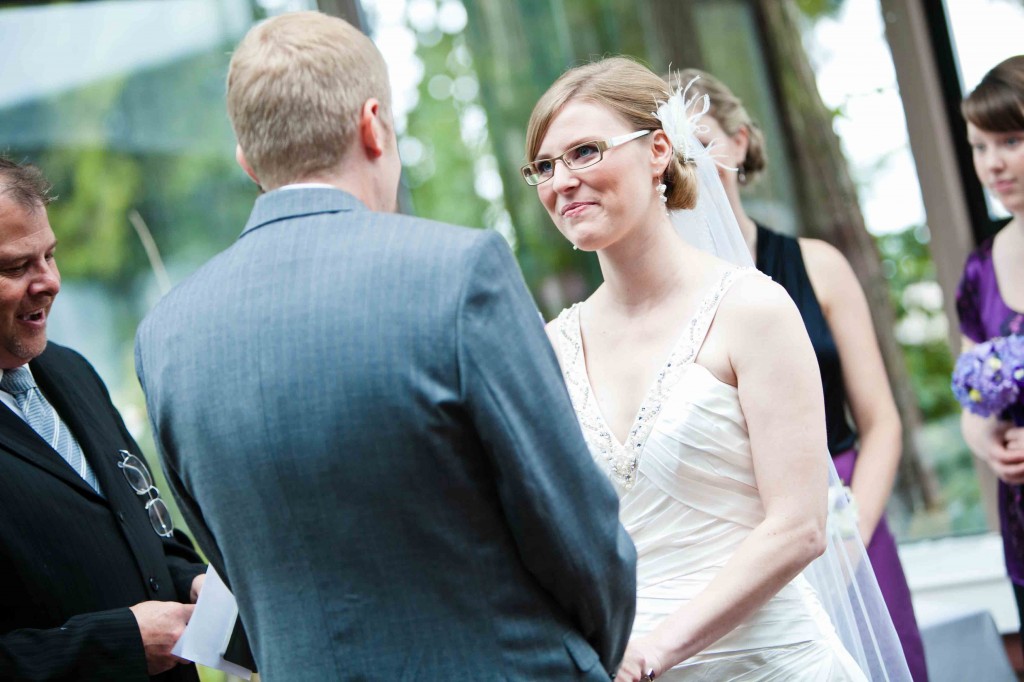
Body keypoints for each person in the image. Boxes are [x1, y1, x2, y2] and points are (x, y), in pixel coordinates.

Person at [134, 11, 636, 681]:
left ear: (248, 162)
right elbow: (577, 536)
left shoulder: (165, 339)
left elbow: (236, 571)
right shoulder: (459, 273)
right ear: (373, 125)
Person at [524, 56, 911, 681]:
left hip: (768, 663)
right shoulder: (548, 346)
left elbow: (800, 527)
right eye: (543, 166)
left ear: (657, 151)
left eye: (585, 152)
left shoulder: (751, 308)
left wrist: (655, 650)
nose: (561, 181)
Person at [671, 67, 928, 681]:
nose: (694, 162)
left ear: (739, 141)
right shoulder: (676, 297)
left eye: (702, 140)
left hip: (846, 508)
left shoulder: (818, 265)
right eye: (676, 150)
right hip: (738, 538)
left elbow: (880, 420)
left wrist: (850, 536)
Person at [0, 156, 206, 681]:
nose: (50, 282)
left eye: (50, 255)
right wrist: (118, 644)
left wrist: (192, 583)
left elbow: (147, 528)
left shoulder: (70, 373)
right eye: (17, 266)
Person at [958, 54, 1024, 652]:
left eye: (1010, 140)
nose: (993, 163)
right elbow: (970, 401)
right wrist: (989, 443)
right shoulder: (980, 268)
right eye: (981, 147)